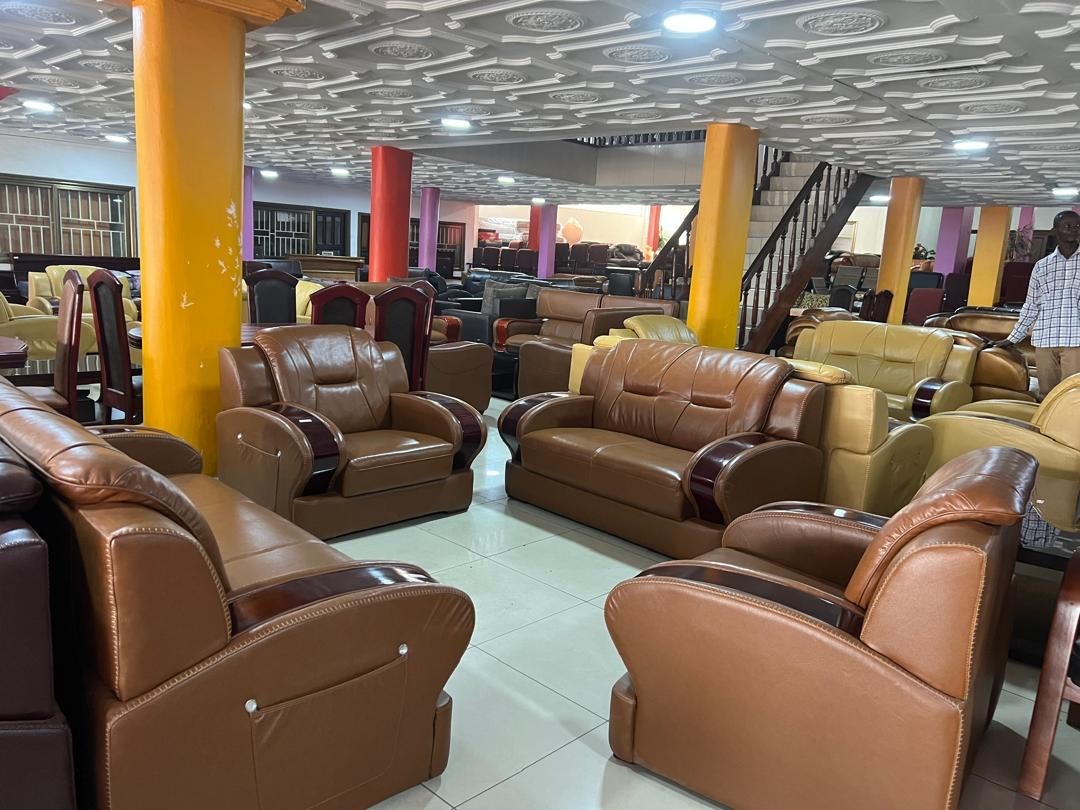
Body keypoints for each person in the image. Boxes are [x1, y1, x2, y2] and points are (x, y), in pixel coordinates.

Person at [993, 210, 1080, 397]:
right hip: (1045, 340)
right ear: (1055, 230)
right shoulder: (1041, 266)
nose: (1075, 230)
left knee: (1072, 396)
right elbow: (1031, 305)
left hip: (1075, 341)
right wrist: (1012, 338)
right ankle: (1044, 427)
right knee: (1046, 395)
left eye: (1078, 226)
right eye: (1068, 226)